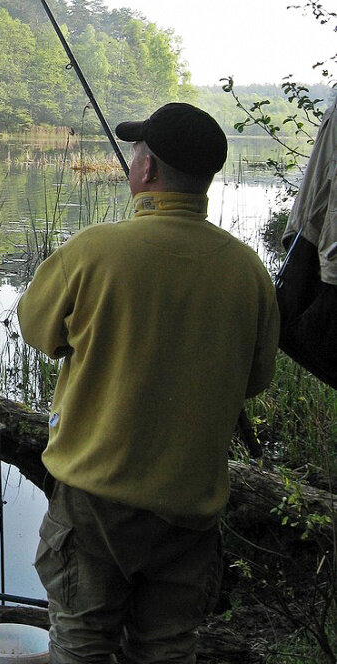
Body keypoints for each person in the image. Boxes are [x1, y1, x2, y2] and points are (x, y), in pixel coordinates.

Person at [18, 102, 280, 664]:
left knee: (82, 645)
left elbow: (39, 331)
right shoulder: (249, 269)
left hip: (93, 500)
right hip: (191, 503)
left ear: (149, 171)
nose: (132, 161)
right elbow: (256, 379)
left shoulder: (92, 251)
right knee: (167, 649)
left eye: (138, 151)